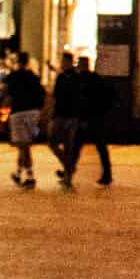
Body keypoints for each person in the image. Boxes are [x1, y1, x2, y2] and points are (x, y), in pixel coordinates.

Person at [3, 53, 46, 188]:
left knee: (24, 146)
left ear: (17, 61)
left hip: (18, 112)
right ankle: (18, 173)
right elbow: (42, 94)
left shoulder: (13, 77)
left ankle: (30, 176)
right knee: (24, 145)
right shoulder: (33, 77)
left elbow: (7, 93)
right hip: (33, 112)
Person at [49, 54, 86, 188]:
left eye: (64, 61)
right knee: (53, 143)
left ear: (70, 62)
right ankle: (68, 167)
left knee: (68, 145)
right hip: (61, 115)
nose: (62, 64)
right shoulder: (62, 77)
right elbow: (56, 97)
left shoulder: (76, 78)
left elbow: (79, 98)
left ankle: (68, 174)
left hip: (71, 117)